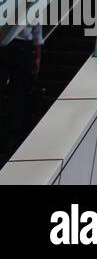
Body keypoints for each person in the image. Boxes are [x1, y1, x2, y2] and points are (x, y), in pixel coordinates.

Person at [0, 22, 42, 161]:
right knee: (18, 95)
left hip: (3, 44)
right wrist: (37, 55)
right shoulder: (33, 0)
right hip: (23, 47)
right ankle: (12, 138)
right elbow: (37, 29)